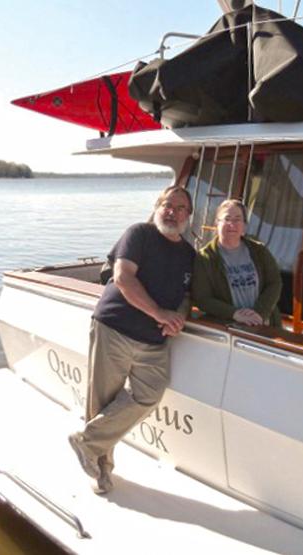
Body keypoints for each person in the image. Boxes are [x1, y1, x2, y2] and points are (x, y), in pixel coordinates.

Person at [69, 185, 195, 494]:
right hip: (115, 328)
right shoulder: (139, 234)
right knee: (103, 401)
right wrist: (159, 313)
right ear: (156, 206)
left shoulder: (189, 254)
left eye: (180, 208)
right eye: (167, 205)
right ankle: (102, 471)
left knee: (150, 393)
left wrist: (177, 318)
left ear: (188, 216)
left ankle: (85, 442)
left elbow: (186, 295)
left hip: (153, 340)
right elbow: (124, 277)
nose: (173, 212)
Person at [191, 199, 281, 327]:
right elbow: (202, 299)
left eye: (237, 219)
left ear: (244, 225)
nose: (232, 224)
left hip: (264, 323)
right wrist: (235, 314)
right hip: (230, 327)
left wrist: (260, 313)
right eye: (226, 219)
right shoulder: (205, 257)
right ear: (217, 223)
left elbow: (275, 282)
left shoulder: (259, 251)